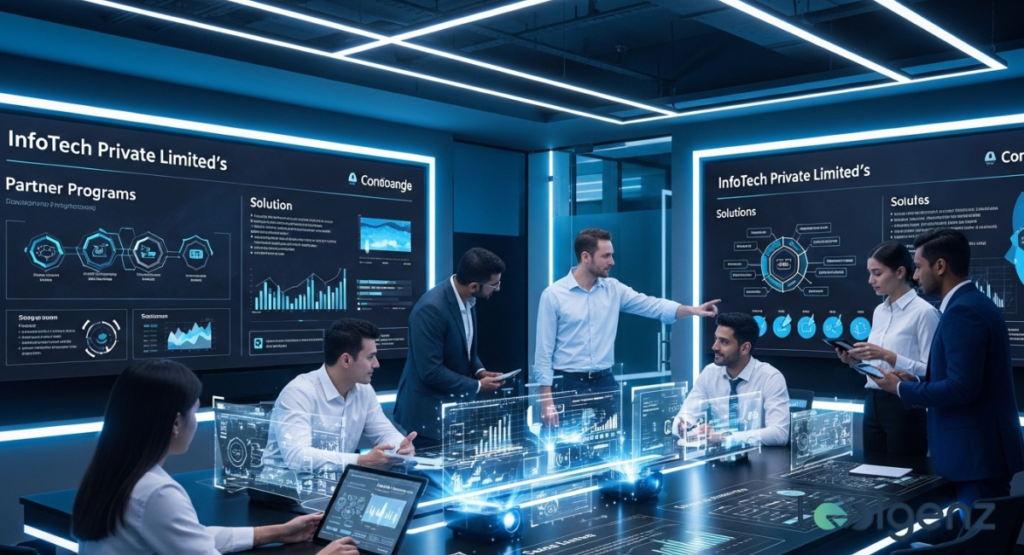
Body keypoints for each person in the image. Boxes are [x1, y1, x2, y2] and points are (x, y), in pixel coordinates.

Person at [71, 359, 359, 555]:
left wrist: (276, 533)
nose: (197, 421)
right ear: (174, 423)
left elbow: (192, 537)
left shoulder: (114, 475)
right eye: (195, 412)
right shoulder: (158, 493)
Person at [872, 229, 1024, 538]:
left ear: (940, 266)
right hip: (978, 455)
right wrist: (917, 379)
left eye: (918, 266)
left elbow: (962, 389)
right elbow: (967, 376)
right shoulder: (970, 304)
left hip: (976, 459)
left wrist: (901, 388)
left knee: (978, 544)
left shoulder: (963, 311)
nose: (914, 275)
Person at [534, 228, 720, 426]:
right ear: (586, 256)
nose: (612, 262)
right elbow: (543, 352)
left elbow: (652, 305)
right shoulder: (554, 295)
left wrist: (693, 310)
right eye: (606, 256)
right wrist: (546, 399)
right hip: (567, 384)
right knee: (567, 448)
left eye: (611, 255)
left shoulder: (613, 289)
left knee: (614, 448)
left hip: (605, 382)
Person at [264, 319, 415, 477]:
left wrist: (401, 447)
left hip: (332, 486)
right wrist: (361, 461)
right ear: (346, 360)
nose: (376, 364)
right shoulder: (299, 393)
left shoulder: (364, 390)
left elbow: (384, 432)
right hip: (282, 493)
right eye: (370, 357)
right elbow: (297, 457)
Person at [394, 248, 507, 448]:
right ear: (474, 285)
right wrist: (478, 386)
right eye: (494, 285)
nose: (497, 289)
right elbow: (431, 371)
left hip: (453, 412)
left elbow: (466, 347)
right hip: (427, 416)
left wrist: (479, 370)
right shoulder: (431, 310)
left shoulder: (468, 301)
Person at [835, 241, 938, 456]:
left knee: (905, 479)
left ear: (900, 272)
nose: (870, 280)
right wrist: (856, 363)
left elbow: (932, 371)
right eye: (870, 273)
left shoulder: (924, 313)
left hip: (905, 404)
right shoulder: (879, 311)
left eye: (877, 273)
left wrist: (890, 356)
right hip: (872, 403)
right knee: (873, 477)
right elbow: (877, 365)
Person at [672, 312, 790, 447]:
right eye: (716, 339)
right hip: (719, 459)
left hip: (760, 460)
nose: (714, 347)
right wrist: (683, 425)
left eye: (724, 342)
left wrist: (724, 437)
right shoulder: (709, 373)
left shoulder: (771, 378)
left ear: (744, 348)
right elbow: (687, 414)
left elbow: (779, 433)